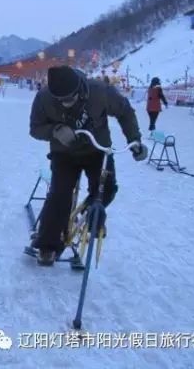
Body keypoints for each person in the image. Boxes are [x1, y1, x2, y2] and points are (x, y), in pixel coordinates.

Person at [29, 65, 148, 266]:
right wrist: (55, 130)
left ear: (80, 89)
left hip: (97, 149)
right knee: (59, 196)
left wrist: (135, 139)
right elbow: (35, 128)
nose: (66, 104)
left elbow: (125, 111)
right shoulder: (43, 98)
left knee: (107, 188)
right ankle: (47, 245)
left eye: (70, 98)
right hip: (64, 152)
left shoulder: (100, 92)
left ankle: (90, 213)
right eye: (61, 100)